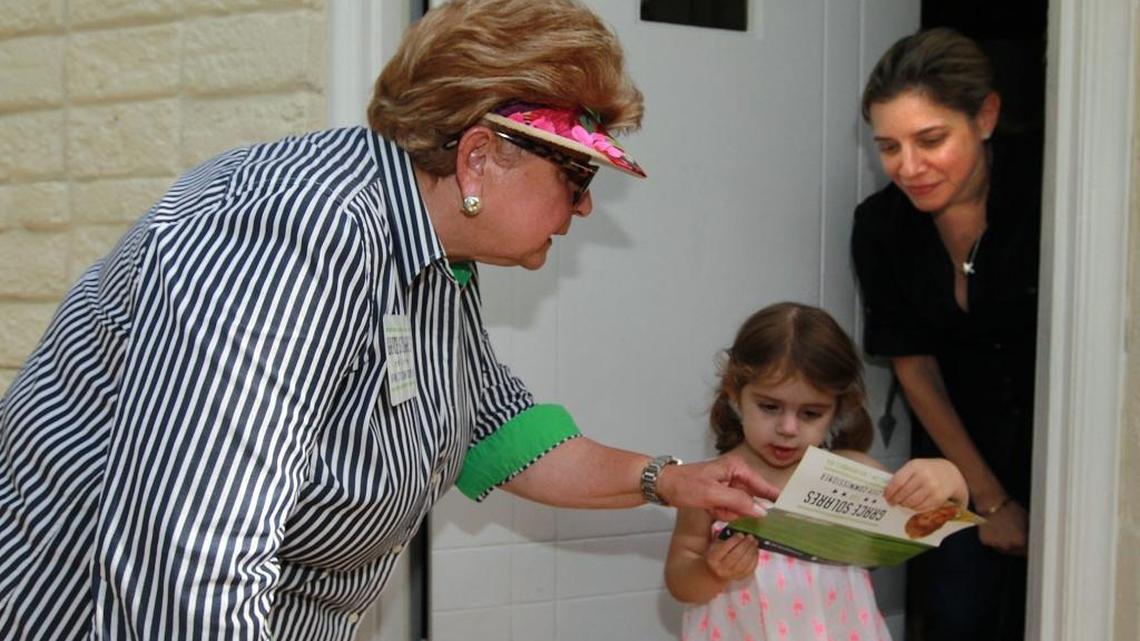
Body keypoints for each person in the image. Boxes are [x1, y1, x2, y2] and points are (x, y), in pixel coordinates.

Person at [0, 1, 777, 638]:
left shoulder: (432, 253)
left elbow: (491, 428)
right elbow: (194, 564)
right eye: (575, 174)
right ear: (478, 158)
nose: (583, 207)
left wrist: (669, 480)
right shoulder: (291, 236)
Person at [850, 27, 1042, 641]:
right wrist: (990, 500)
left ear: (985, 117)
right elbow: (915, 367)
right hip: (958, 456)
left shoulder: (1051, 196)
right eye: (889, 147)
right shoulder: (880, 227)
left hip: (1057, 446)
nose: (909, 168)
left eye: (931, 140)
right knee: (957, 614)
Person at [664, 302, 967, 641]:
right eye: (769, 406)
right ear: (734, 393)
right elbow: (679, 582)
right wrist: (712, 570)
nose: (788, 428)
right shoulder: (710, 483)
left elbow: (939, 519)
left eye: (810, 413)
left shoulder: (854, 472)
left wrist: (950, 476)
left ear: (839, 408)